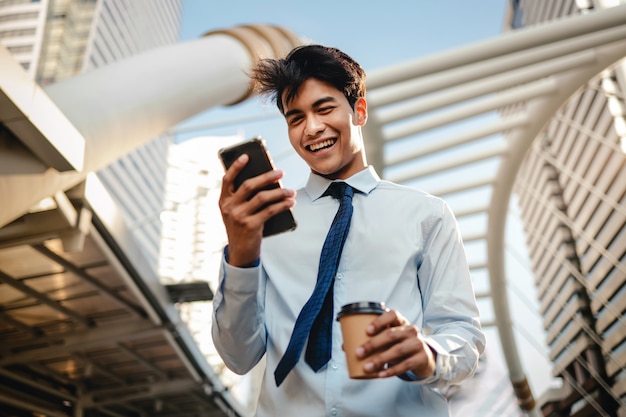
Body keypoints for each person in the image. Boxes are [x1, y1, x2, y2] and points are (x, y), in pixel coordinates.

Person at [212, 44, 486, 417]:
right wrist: (241, 254)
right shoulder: (264, 225)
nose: (312, 128)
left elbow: (462, 333)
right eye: (296, 118)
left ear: (359, 110)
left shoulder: (427, 215)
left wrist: (428, 355)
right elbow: (238, 357)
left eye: (324, 109)